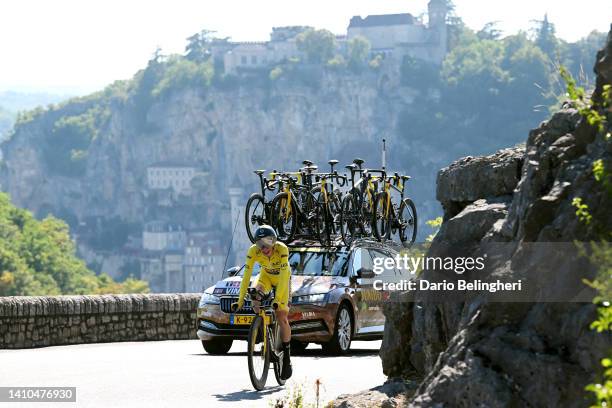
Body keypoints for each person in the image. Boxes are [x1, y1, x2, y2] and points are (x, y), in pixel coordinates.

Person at [232, 225, 292, 380]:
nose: (263, 248)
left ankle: (286, 355)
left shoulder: (282, 249)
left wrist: (278, 300)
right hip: (265, 277)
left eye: (266, 244)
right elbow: (246, 276)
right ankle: (261, 329)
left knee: (281, 316)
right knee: (254, 294)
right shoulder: (253, 251)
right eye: (259, 244)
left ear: (273, 241)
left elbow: (285, 275)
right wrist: (239, 301)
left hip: (282, 280)